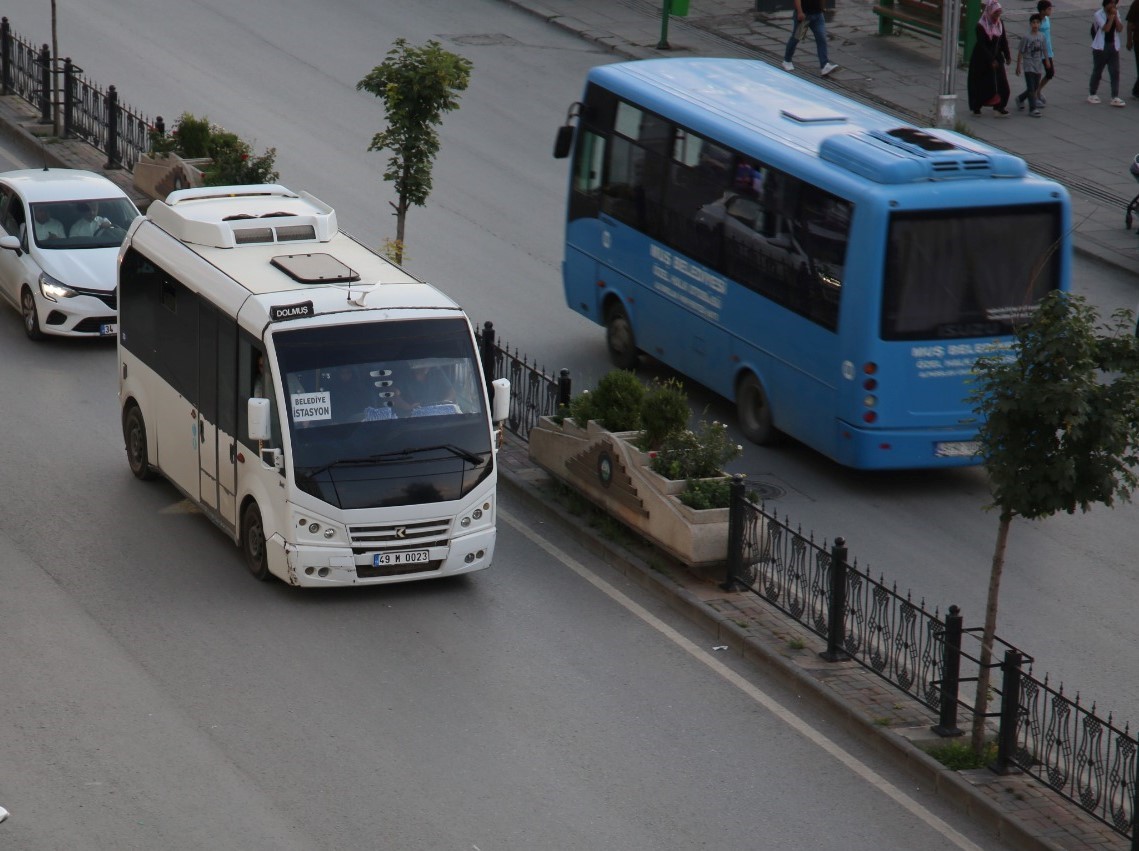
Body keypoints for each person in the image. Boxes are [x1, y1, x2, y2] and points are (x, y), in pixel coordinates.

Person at [781, 0, 838, 78]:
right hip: (805, 15)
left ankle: (824, 65)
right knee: (797, 38)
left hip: (818, 15)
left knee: (821, 39)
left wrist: (822, 7)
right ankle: (787, 61)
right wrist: (800, 12)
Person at [1090, 0, 1126, 106]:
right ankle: (1092, 93)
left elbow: (1119, 29)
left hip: (1113, 45)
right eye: (1111, 3)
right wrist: (1110, 18)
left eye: (1115, 3)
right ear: (1106, 4)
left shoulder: (1116, 13)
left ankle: (1115, 96)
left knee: (1115, 71)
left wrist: (1116, 17)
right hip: (1101, 47)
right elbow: (1106, 28)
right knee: (1098, 71)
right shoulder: (1098, 14)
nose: (1113, 5)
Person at [1015, 14, 1048, 116]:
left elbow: (1044, 49)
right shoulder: (1026, 37)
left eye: (1037, 23)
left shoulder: (1042, 36)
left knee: (1034, 87)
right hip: (1028, 65)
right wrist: (1018, 66)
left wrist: (1047, 61)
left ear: (1040, 24)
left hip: (1038, 65)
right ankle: (1032, 109)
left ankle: (1020, 98)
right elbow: (1021, 51)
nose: (1035, 25)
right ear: (1030, 24)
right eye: (1033, 22)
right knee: (1030, 86)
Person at [1036, 0, 1055, 104]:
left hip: (1048, 51)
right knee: (1037, 75)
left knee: (1050, 73)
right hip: (1039, 52)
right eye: (1049, 9)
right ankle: (1033, 95)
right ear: (1042, 10)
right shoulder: (1036, 22)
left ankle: (1037, 91)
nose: (1051, 10)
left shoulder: (1047, 19)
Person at [1126, 0, 1139, 96]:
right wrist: (1129, 40)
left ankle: (1136, 90)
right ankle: (1136, 91)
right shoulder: (1137, 3)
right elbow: (1130, 23)